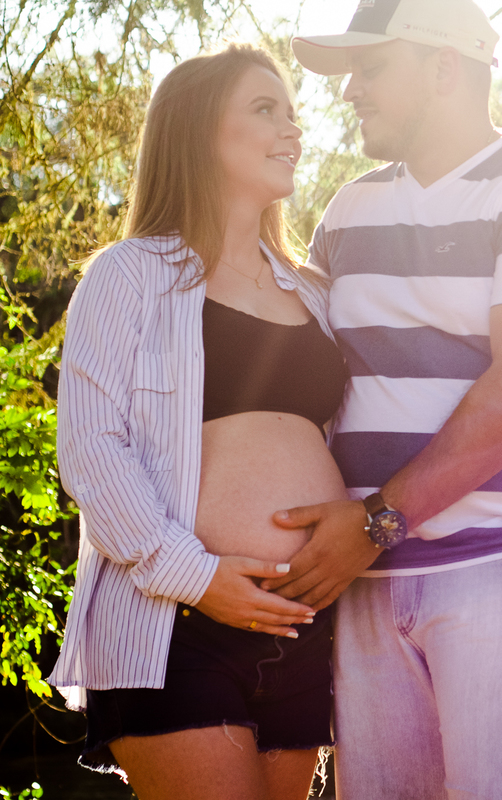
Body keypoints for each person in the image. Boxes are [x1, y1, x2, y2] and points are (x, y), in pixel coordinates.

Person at [264, 0, 502, 797]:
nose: (349, 90)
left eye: (371, 67)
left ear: (445, 67)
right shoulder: (347, 212)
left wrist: (376, 522)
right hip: (368, 581)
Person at [48, 44, 350, 800]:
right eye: (264, 108)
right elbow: (90, 449)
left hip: (301, 623)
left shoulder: (316, 295)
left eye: (291, 111)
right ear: (198, 131)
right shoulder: (127, 275)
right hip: (171, 624)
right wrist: (199, 576)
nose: (292, 128)